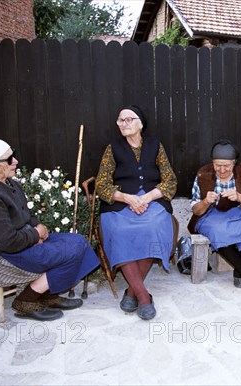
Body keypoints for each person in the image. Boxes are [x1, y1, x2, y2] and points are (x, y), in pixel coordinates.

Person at [0, 136, 100, 321]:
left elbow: (24, 215)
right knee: (70, 251)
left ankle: (46, 294)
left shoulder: (9, 183)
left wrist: (36, 225)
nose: (15, 161)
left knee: (78, 241)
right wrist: (35, 234)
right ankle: (26, 300)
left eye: (13, 156)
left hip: (21, 243)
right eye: (8, 159)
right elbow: (8, 241)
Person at [95, 105, 177, 321]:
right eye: (120, 120)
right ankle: (142, 296)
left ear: (140, 123)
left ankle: (131, 292)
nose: (124, 124)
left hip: (150, 200)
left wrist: (148, 197)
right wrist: (127, 198)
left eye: (129, 120)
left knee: (154, 227)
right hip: (120, 203)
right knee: (119, 230)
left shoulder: (155, 146)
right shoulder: (112, 148)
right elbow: (101, 184)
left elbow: (170, 180)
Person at [188, 140, 241, 290]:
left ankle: (239, 272)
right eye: (218, 165)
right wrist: (205, 201)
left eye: (227, 166)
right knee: (217, 231)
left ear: (234, 163)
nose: (222, 170)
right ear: (212, 163)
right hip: (212, 215)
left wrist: (239, 197)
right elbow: (196, 210)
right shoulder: (203, 174)